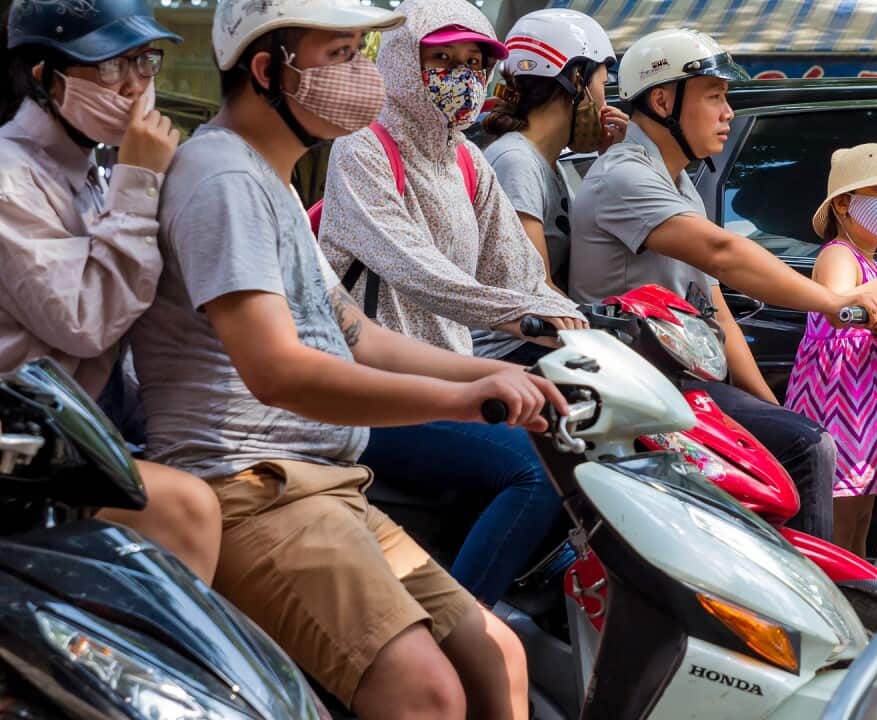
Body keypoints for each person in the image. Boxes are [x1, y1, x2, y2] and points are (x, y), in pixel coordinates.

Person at [128, 0, 563, 715]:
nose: (363, 74)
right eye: (340, 56)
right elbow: (278, 371)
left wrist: (504, 374)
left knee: (497, 653)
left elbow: (355, 333)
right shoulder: (223, 181)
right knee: (425, 692)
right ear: (268, 70)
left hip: (326, 486)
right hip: (253, 490)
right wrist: (464, 399)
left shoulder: (269, 178)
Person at [569, 28, 877, 543]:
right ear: (662, 100)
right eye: (715, 97)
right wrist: (835, 303)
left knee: (800, 440)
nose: (729, 113)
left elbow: (715, 310)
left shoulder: (676, 184)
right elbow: (725, 254)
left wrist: (772, 409)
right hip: (639, 388)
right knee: (810, 449)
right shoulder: (624, 176)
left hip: (676, 383)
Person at [316, 0, 579, 606]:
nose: (460, 75)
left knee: (578, 438)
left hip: (449, 379)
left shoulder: (466, 159)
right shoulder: (364, 147)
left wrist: (579, 326)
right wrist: (512, 315)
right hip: (373, 391)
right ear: (407, 60)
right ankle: (462, 626)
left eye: (473, 62)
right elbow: (414, 265)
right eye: (442, 59)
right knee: (538, 470)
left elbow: (517, 268)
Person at [0, 0, 221, 583]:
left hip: (85, 431)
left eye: (142, 62)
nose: (132, 87)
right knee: (186, 509)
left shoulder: (93, 172)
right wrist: (141, 180)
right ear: (45, 77)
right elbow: (86, 320)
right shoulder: (10, 177)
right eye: (106, 67)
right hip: (20, 446)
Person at [784, 144, 877, 556]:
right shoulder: (838, 253)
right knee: (841, 511)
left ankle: (855, 596)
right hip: (843, 401)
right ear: (843, 206)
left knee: (862, 513)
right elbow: (838, 304)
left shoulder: (871, 265)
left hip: (868, 400)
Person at [481, 8, 626, 299]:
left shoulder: (547, 163)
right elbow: (537, 287)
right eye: (602, 83)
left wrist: (610, 160)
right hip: (512, 343)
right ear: (576, 80)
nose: (604, 99)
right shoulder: (516, 162)